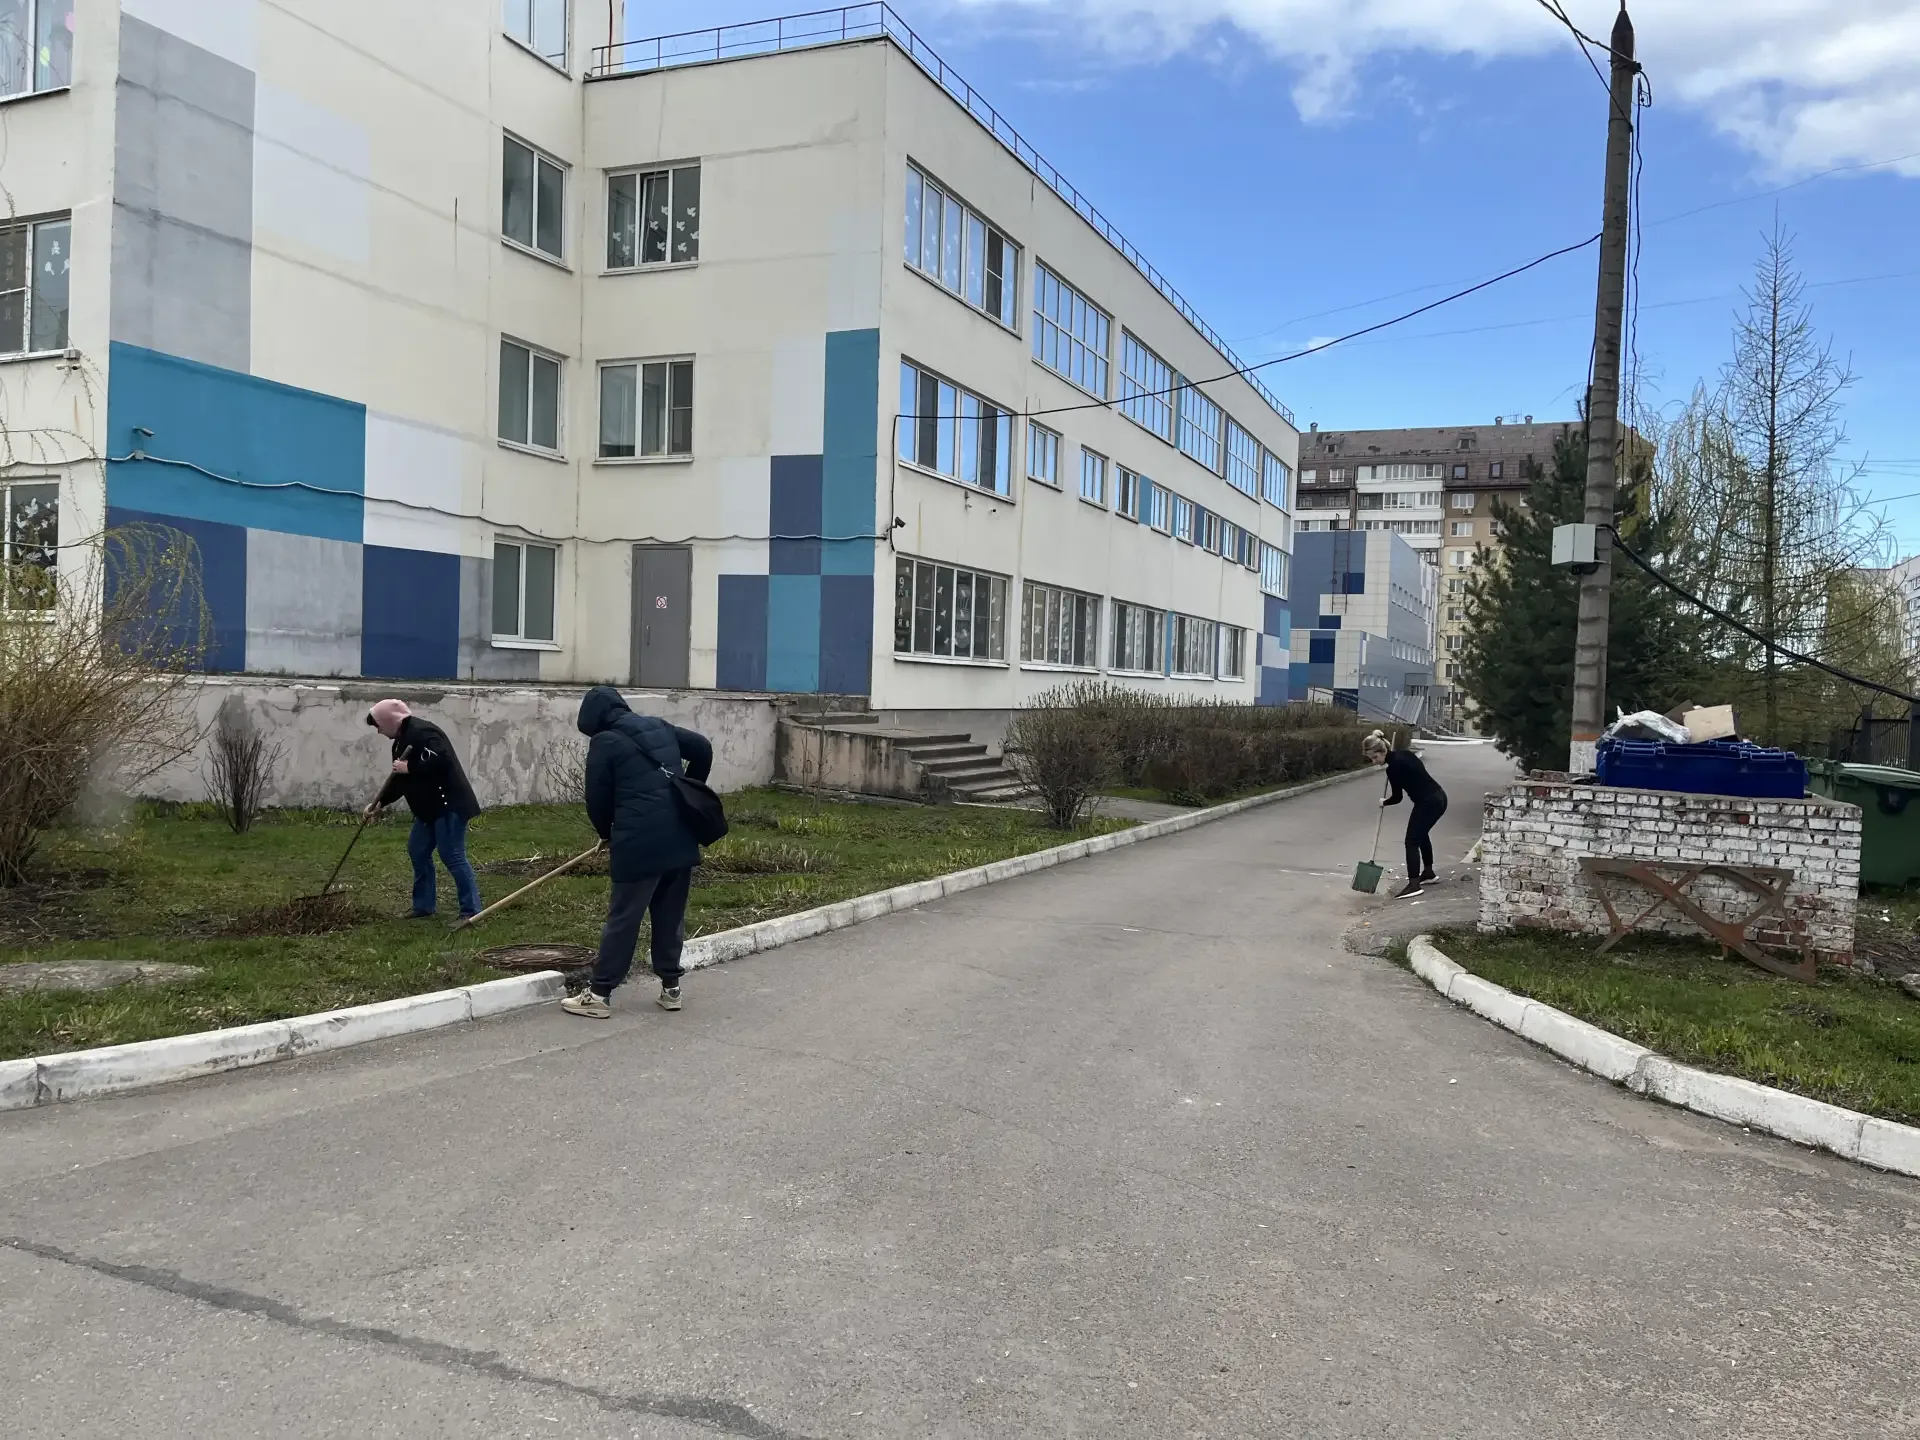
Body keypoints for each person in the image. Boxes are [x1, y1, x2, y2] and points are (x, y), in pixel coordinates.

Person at [561, 686, 714, 1018]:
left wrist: (606, 833)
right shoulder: (658, 726)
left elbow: (597, 799)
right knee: (670, 914)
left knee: (624, 918)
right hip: (680, 836)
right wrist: (688, 788)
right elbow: (702, 749)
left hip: (639, 842)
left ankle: (600, 994)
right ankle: (671, 989)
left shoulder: (605, 742)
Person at [365, 699, 482, 921]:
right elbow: (400, 780)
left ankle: (471, 910)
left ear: (390, 721)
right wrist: (380, 803)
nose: (378, 731)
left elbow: (441, 757)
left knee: (452, 855)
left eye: (378, 725)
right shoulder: (399, 743)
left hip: (449, 805)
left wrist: (410, 766)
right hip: (428, 809)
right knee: (418, 850)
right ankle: (424, 906)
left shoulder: (424, 732)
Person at [1364, 729, 1447, 900]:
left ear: (1382, 751)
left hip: (1428, 803)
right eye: (1371, 758)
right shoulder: (1405, 754)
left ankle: (1414, 884)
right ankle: (1429, 873)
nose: (1374, 762)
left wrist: (1384, 802)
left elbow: (1397, 798)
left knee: (1411, 841)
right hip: (1439, 797)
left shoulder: (1393, 768)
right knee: (1421, 835)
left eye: (1375, 757)